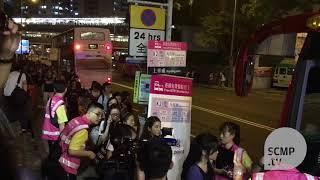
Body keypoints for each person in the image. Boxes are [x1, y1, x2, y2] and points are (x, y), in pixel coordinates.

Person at [59, 102, 104, 179]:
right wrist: (90, 154)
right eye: (97, 114)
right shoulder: (83, 130)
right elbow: (72, 151)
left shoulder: (77, 119)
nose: (100, 118)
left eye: (101, 115)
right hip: (68, 166)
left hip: (61, 157)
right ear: (89, 112)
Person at [42, 80, 68, 157]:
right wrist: (63, 138)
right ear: (66, 89)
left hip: (48, 131)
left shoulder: (51, 99)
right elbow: (62, 123)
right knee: (56, 155)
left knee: (51, 152)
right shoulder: (60, 104)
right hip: (56, 134)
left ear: (54, 89)